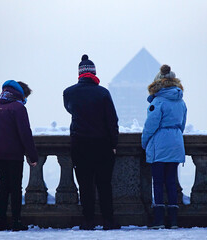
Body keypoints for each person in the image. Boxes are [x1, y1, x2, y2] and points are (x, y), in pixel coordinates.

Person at [63, 54, 120, 230]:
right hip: (102, 145)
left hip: (80, 145)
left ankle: (88, 221)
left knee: (85, 185)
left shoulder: (69, 92)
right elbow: (112, 121)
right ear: (94, 73)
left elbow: (69, 109)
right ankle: (108, 221)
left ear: (79, 73)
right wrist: (113, 144)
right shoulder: (103, 93)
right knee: (104, 185)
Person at [0, 80, 38, 231]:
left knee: (3, 187)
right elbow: (25, 134)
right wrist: (32, 156)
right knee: (15, 188)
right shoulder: (18, 108)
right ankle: (16, 221)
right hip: (14, 154)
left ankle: (0, 222)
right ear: (21, 94)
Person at [141, 65, 187, 229]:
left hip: (159, 144)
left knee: (158, 183)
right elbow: (182, 125)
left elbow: (150, 126)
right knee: (171, 182)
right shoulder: (180, 101)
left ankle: (159, 220)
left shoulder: (158, 101)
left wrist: (144, 142)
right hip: (176, 142)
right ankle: (173, 220)